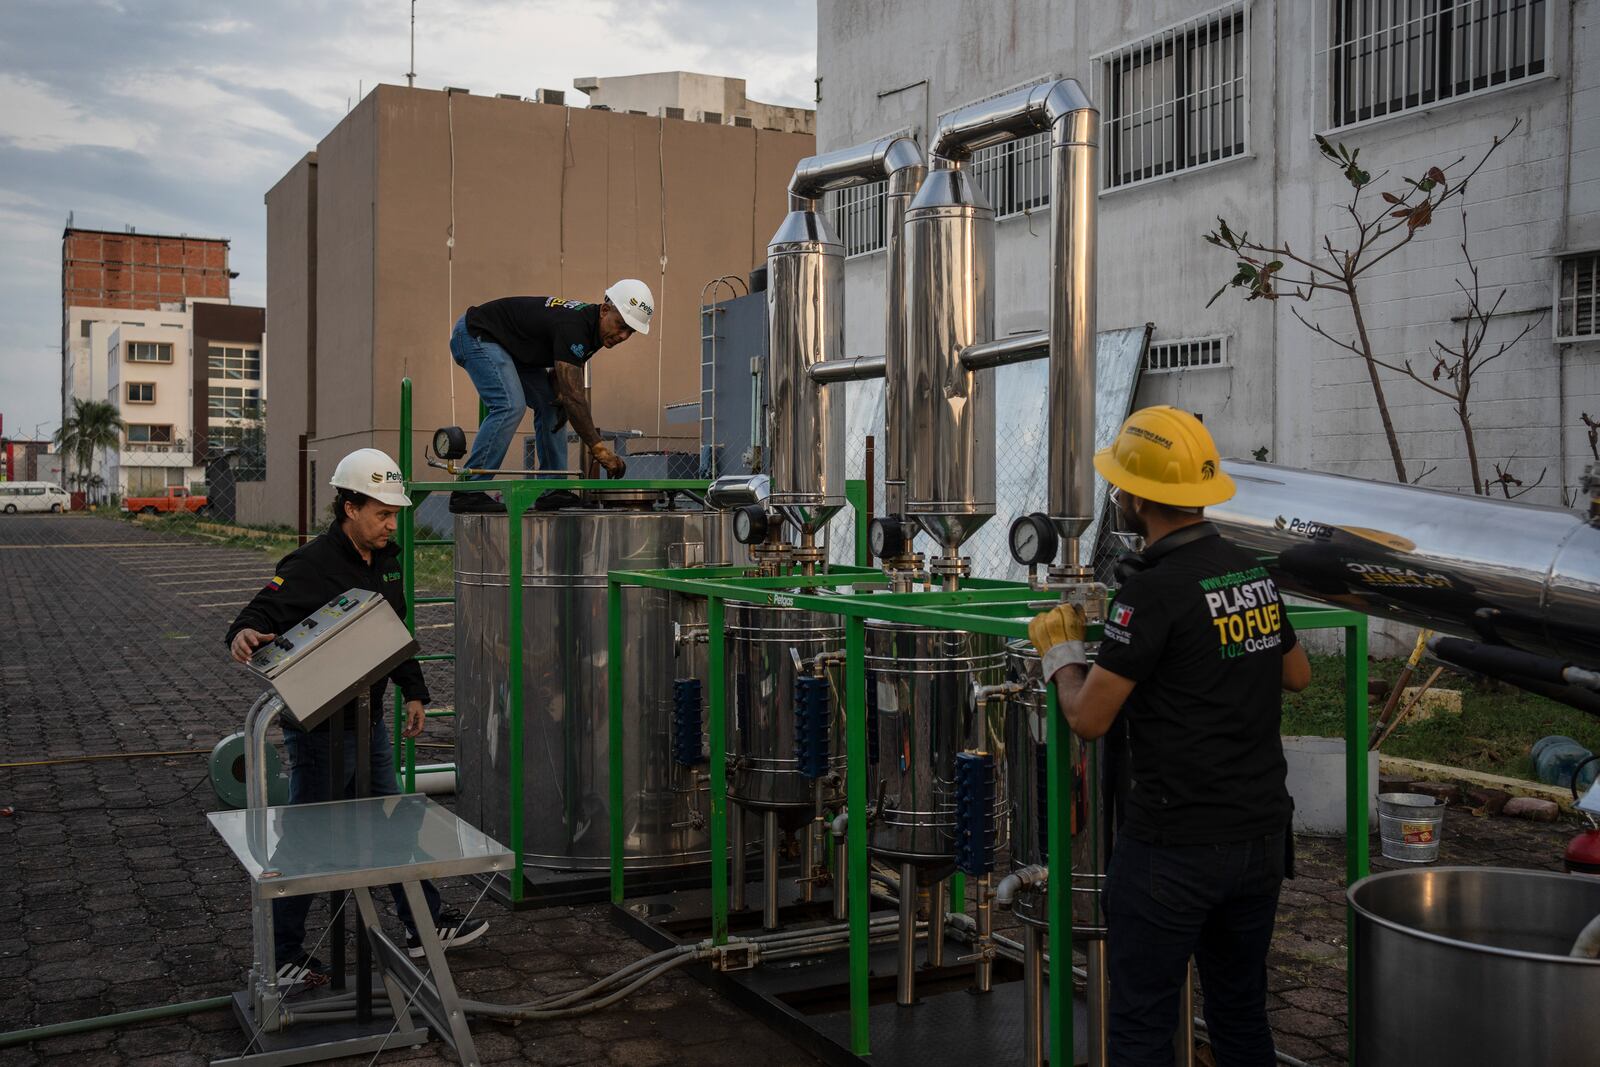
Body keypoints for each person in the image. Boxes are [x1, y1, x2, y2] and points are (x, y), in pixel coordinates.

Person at [1028, 406, 1311, 1066]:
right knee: (1240, 1011)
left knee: (1142, 1024)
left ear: (1138, 497)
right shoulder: (1251, 572)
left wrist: (1063, 656)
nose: (1120, 496)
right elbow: (1296, 673)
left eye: (1122, 486)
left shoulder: (1148, 595)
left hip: (1174, 850)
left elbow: (1089, 718)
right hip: (1261, 837)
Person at [225, 448, 487, 983]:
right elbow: (255, 615)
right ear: (349, 507)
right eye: (382, 514)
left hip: (369, 725)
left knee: (393, 821)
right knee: (306, 840)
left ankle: (423, 925)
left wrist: (414, 692)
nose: (392, 525)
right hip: (321, 732)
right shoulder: (310, 565)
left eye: (394, 515)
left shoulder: (385, 561)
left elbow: (397, 633)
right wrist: (244, 634)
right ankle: (282, 957)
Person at [446, 281, 654, 513]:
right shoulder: (575, 326)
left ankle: (553, 489)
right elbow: (574, 396)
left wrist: (562, 395)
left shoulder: (593, 330)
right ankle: (469, 490)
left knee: (554, 408)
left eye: (630, 332)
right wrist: (599, 449)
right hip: (477, 334)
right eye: (621, 325)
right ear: (605, 310)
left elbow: (563, 379)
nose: (623, 336)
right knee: (509, 405)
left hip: (512, 349)